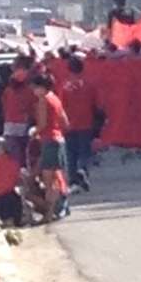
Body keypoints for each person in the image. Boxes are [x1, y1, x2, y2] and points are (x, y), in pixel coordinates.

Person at [32, 73, 70, 223]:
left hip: (49, 140)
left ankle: (49, 214)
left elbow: (41, 124)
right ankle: (61, 206)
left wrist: (33, 132)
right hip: (59, 139)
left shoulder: (43, 101)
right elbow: (65, 122)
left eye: (35, 87)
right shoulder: (55, 98)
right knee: (57, 176)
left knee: (48, 180)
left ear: (41, 87)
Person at [60, 55, 100, 192]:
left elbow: (61, 107)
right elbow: (96, 105)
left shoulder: (65, 86)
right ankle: (82, 170)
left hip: (69, 124)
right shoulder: (90, 85)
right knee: (85, 152)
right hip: (86, 123)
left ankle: (73, 180)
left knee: (71, 154)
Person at [1, 56, 35, 168]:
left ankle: (17, 175)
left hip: (9, 125)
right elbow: (32, 108)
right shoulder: (29, 91)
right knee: (25, 153)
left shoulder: (8, 91)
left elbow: (4, 106)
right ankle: (24, 173)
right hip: (23, 124)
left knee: (14, 155)